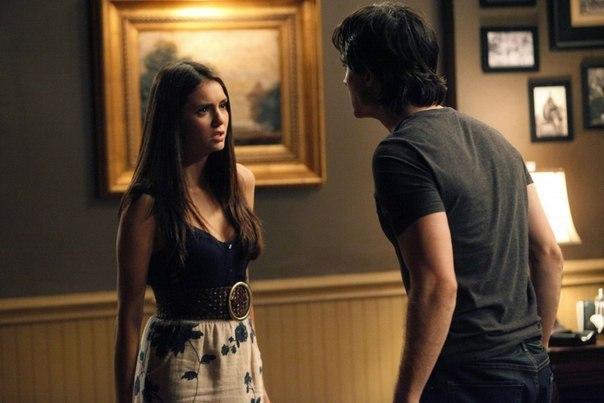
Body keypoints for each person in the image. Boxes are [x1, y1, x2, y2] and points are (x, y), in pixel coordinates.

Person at [332, 3, 563, 402]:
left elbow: (438, 283)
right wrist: (536, 354)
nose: (345, 79)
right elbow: (549, 255)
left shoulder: (401, 153)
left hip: (469, 377)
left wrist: (407, 396)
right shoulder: (497, 140)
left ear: (369, 75)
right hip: (533, 373)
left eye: (348, 67)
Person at [114, 61, 269, 403]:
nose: (219, 120)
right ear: (174, 120)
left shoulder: (240, 183)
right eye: (203, 110)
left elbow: (243, 287)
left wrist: (259, 380)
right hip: (178, 363)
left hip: (238, 356)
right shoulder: (148, 206)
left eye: (223, 106)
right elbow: (129, 316)